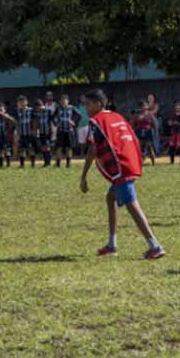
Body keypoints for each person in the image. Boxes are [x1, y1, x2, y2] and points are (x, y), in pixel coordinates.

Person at [80, 89, 165, 260]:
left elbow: (92, 149)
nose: (86, 108)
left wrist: (83, 176)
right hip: (130, 161)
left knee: (132, 204)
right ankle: (112, 244)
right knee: (110, 198)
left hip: (120, 167)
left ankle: (155, 245)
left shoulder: (95, 121)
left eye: (88, 105)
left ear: (98, 104)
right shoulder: (117, 117)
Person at [53, 94, 78, 168]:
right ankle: (58, 164)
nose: (63, 101)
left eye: (65, 100)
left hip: (69, 131)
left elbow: (79, 115)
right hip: (60, 131)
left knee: (69, 147)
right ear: (60, 101)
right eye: (62, 100)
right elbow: (52, 116)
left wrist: (74, 122)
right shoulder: (58, 108)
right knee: (59, 147)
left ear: (68, 101)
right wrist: (56, 123)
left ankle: (68, 164)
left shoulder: (72, 108)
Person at [133, 101, 157, 166]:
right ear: (140, 107)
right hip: (139, 132)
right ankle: (141, 162)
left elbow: (154, 124)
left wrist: (155, 132)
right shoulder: (137, 115)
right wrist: (132, 132)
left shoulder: (150, 114)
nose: (144, 107)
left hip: (148, 132)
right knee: (139, 148)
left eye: (145, 105)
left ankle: (153, 163)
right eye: (142, 106)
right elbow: (133, 124)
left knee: (149, 147)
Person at [34, 99, 54, 167]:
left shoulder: (48, 111)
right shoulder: (38, 113)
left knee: (47, 147)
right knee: (43, 147)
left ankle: (48, 162)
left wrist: (52, 131)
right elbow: (37, 123)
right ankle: (46, 162)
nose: (38, 109)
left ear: (42, 105)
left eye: (39, 107)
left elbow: (52, 122)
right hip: (41, 132)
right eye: (37, 108)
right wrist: (37, 131)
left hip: (48, 132)